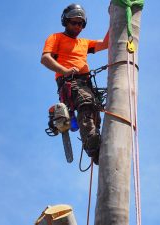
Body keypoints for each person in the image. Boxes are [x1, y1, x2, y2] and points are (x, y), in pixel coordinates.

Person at [41, 4, 109, 165]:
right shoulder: (56, 37)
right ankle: (92, 147)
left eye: (80, 24)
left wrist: (114, 18)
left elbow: (106, 43)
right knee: (86, 105)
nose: (77, 26)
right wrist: (64, 70)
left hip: (85, 83)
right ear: (65, 21)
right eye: (74, 23)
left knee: (94, 114)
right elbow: (45, 58)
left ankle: (70, 117)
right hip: (70, 82)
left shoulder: (84, 43)